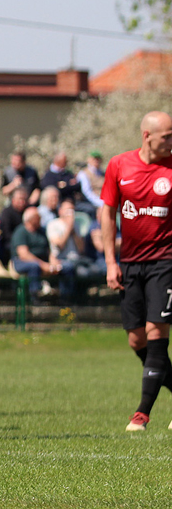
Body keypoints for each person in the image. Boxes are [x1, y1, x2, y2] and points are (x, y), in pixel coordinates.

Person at [100, 111, 172, 432]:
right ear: (147, 136)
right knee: (136, 339)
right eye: (167, 136)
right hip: (129, 264)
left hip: (165, 263)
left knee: (157, 335)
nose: (171, 141)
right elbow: (107, 212)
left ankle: (141, 414)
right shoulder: (119, 165)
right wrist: (111, 261)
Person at [10, 207, 65, 300]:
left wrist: (53, 262)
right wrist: (43, 265)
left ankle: (65, 297)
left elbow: (49, 251)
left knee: (66, 267)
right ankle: (34, 298)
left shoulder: (42, 231)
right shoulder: (21, 232)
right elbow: (24, 254)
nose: (40, 219)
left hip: (43, 261)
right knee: (34, 267)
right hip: (21, 262)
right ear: (30, 219)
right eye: (38, 217)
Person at [0, 187, 29, 264]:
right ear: (13, 200)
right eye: (20, 199)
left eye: (24, 200)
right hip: (11, 243)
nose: (22, 202)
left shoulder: (28, 211)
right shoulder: (7, 213)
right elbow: (6, 233)